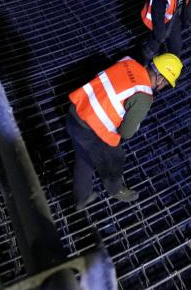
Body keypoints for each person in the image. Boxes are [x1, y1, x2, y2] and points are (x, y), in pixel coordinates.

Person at [66, 53, 182, 209]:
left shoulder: (129, 61)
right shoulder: (144, 96)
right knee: (116, 157)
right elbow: (126, 133)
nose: (163, 87)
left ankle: (82, 197)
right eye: (166, 84)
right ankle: (115, 190)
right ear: (161, 79)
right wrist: (134, 123)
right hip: (91, 128)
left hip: (76, 109)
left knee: (84, 155)